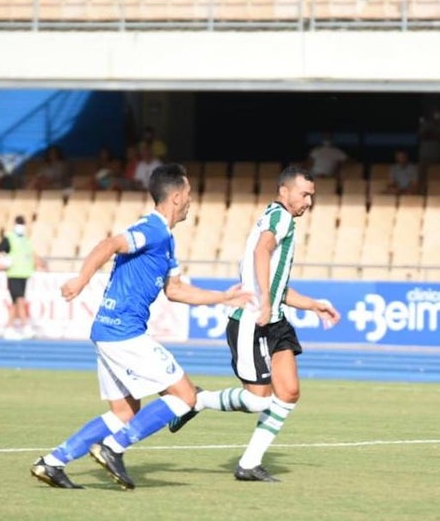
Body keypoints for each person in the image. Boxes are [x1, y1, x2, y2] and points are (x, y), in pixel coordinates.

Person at [30, 163, 271, 490]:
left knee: (123, 413)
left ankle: (53, 462)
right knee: (185, 396)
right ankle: (114, 448)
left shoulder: (166, 241)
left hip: (106, 331)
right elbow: (110, 243)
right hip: (124, 332)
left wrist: (223, 297)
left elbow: (176, 291)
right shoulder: (153, 229)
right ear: (175, 197)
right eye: (188, 194)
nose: (191, 201)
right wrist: (82, 279)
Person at [169, 166, 340, 482]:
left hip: (274, 322)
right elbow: (263, 251)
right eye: (304, 194)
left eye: (312, 196)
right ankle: (198, 399)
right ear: (284, 191)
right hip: (251, 321)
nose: (309, 202)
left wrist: (313, 304)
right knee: (256, 400)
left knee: (288, 392)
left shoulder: (280, 218)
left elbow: (278, 287)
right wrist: (262, 301)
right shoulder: (280, 217)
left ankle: (249, 464)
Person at [0, 215, 46, 340]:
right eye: (19, 223)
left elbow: (31, 254)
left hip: (24, 274)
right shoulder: (9, 238)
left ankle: (8, 328)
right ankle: (25, 326)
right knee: (20, 301)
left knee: (14, 303)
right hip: (13, 274)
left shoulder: (25, 240)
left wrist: (40, 264)